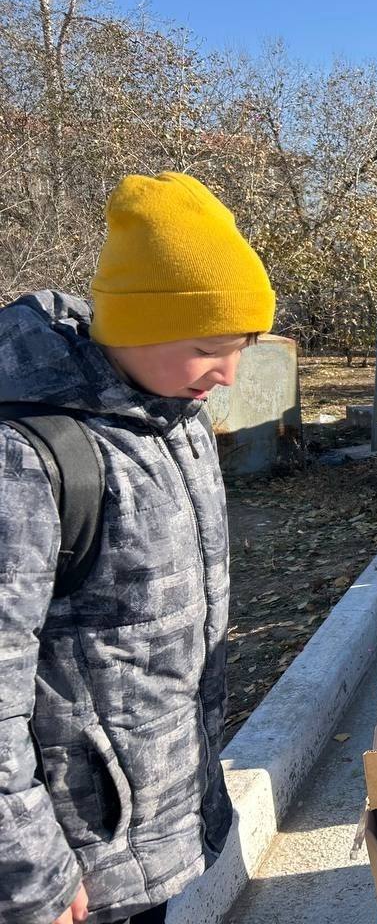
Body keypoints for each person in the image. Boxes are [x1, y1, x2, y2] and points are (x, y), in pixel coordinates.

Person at [0, 172, 276, 924]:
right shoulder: (30, 455)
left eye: (242, 347)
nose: (229, 374)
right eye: (206, 349)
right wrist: (32, 875)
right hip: (68, 858)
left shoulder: (169, 417)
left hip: (149, 827)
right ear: (130, 327)